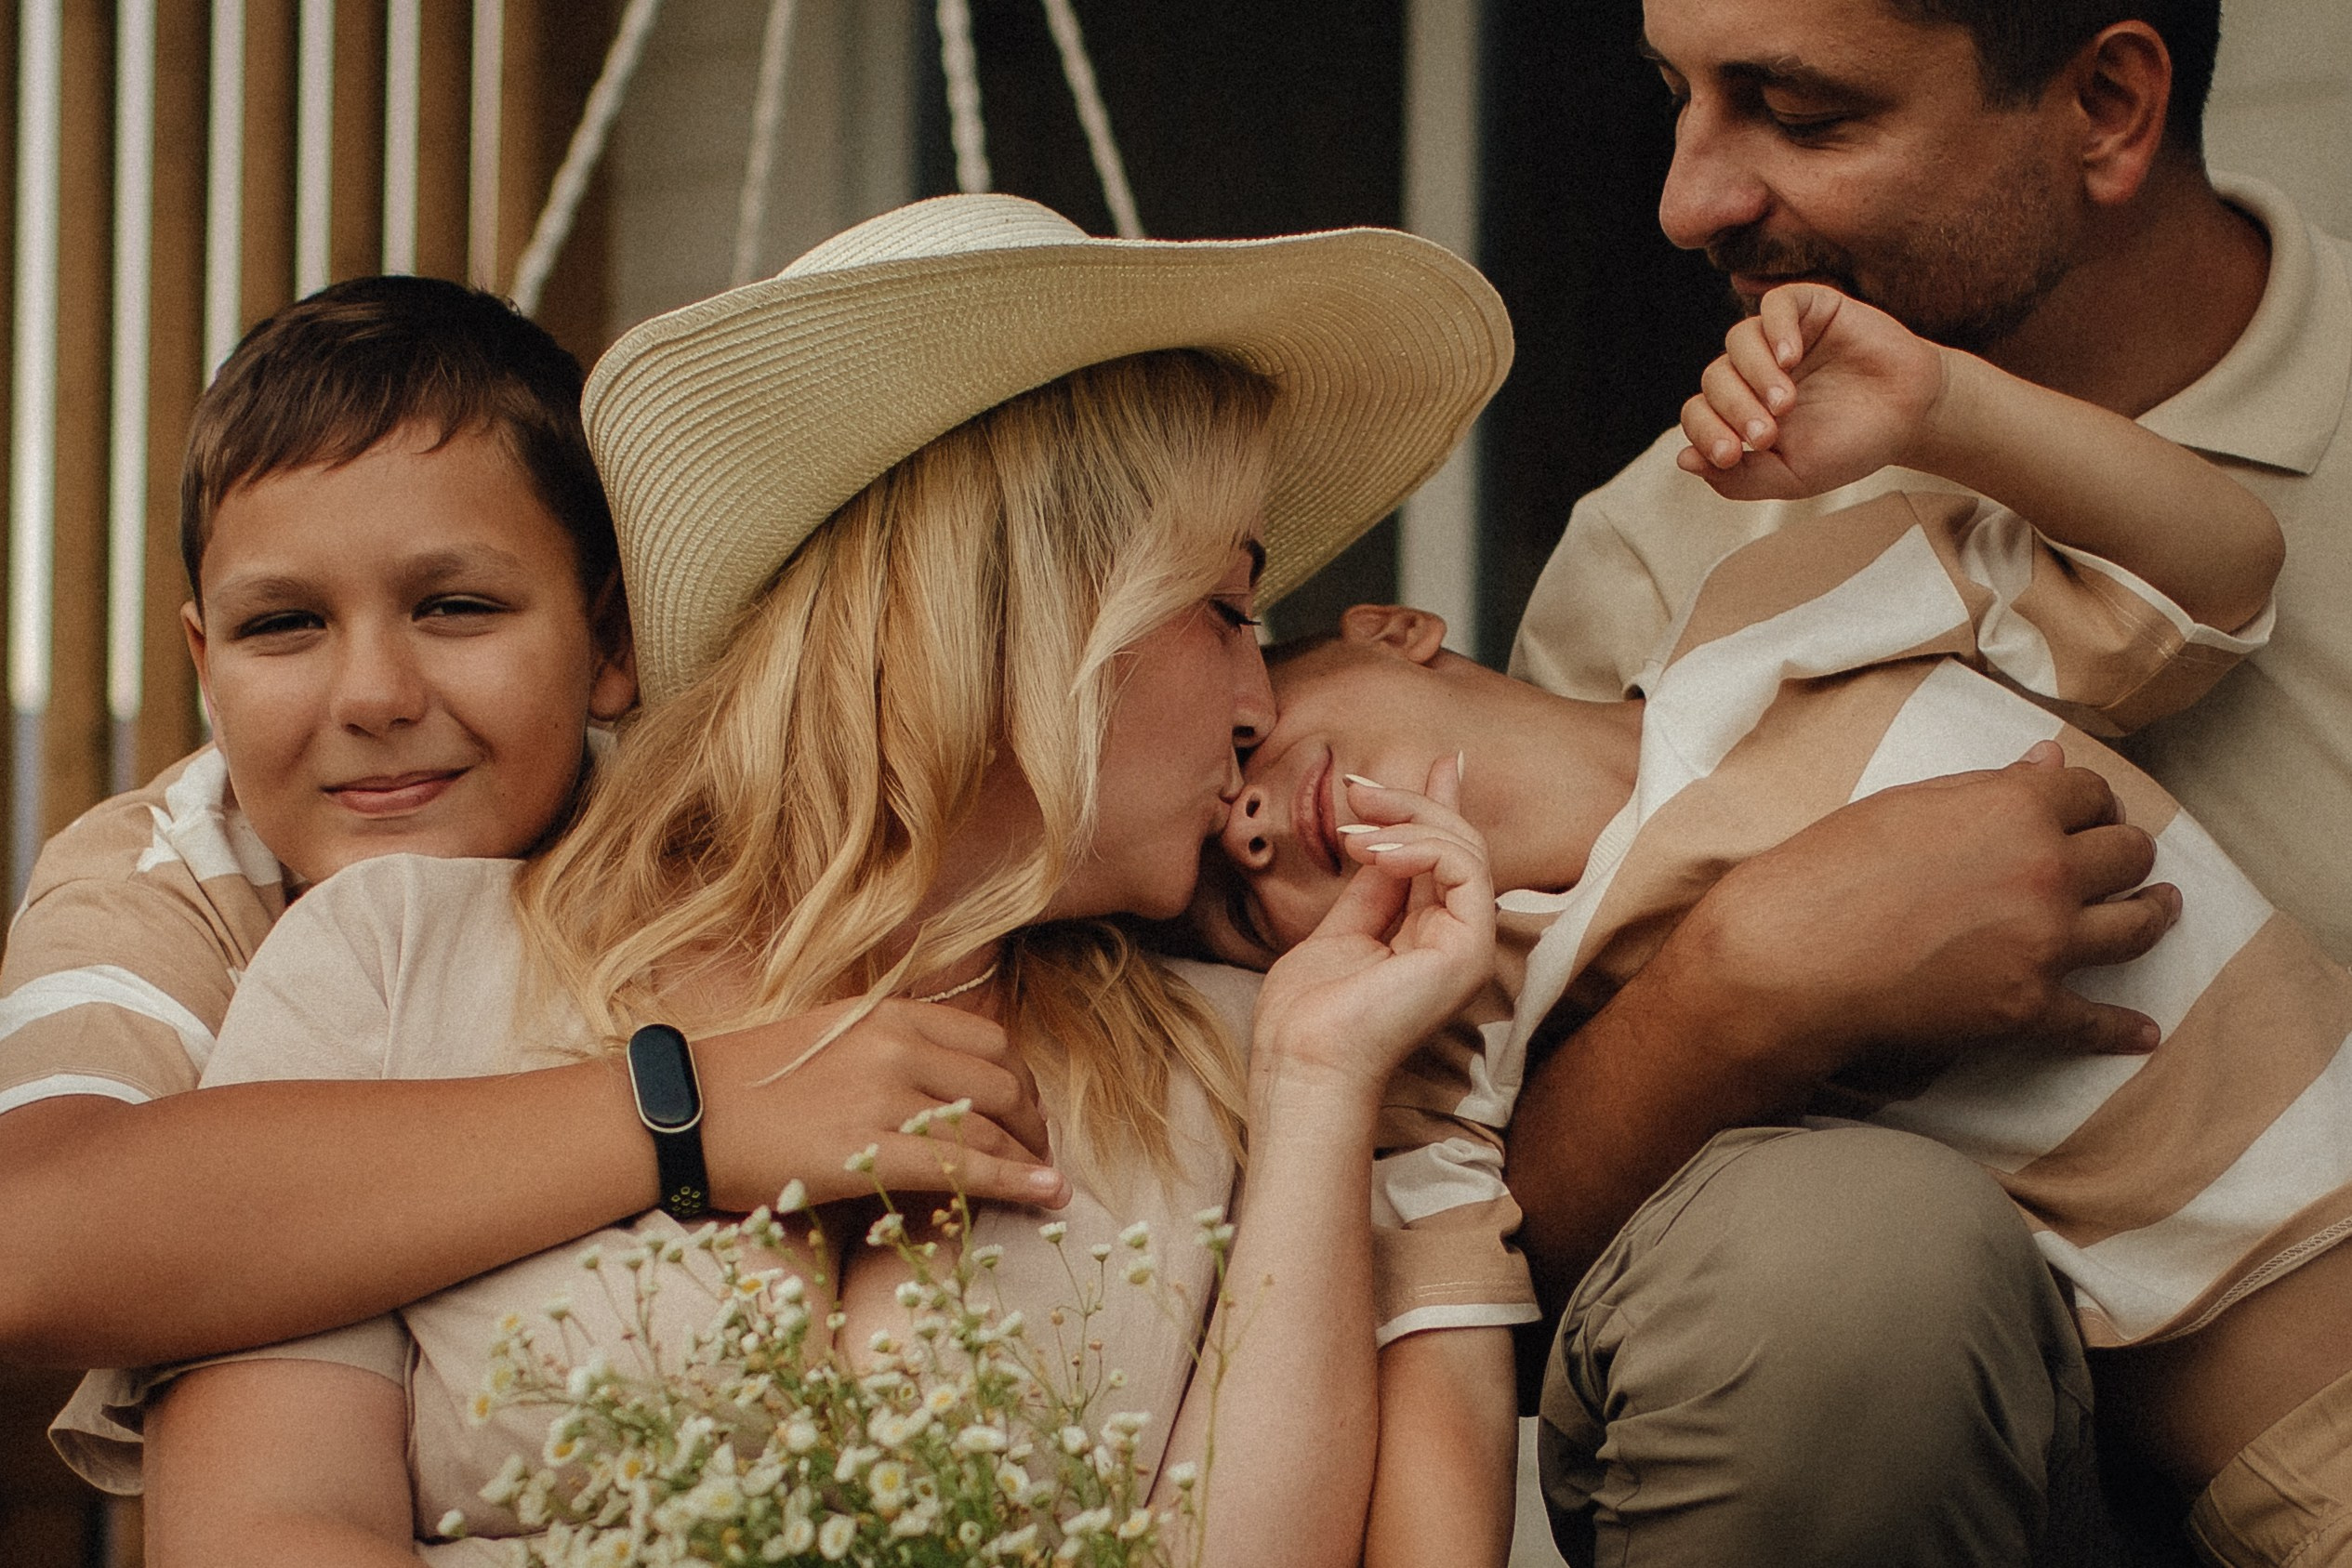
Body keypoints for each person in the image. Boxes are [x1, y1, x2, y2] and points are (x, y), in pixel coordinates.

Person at [112, 194, 1527, 1566]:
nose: (1253, 697)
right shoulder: (389, 964)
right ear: (1010, 618)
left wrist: (1320, 1078)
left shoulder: (1237, 1058)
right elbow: (259, 1529)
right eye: (1223, 605)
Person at [1196, 279, 2352, 1565]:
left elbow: (2215, 578)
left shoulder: (1786, 611)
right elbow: (1452, 1347)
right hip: (2299, 1434)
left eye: (1249, 742)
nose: (1243, 827)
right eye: (1233, 903)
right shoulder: (1457, 1031)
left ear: (1393, 630)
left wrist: (1946, 406)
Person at [0, 276, 1064, 1397]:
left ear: (610, 640)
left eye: (455, 607)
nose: (373, 693)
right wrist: (683, 1114)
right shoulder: (169, 870)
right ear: (206, 666)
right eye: (283, 624)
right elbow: (28, 1242)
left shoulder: (704, 840)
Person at [1513, 0, 2352, 967]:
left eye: (1797, 112)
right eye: (1675, 94)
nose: (1685, 207)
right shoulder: (1653, 551)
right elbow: (1505, 1091)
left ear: (2107, 103)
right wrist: (1720, 1004)